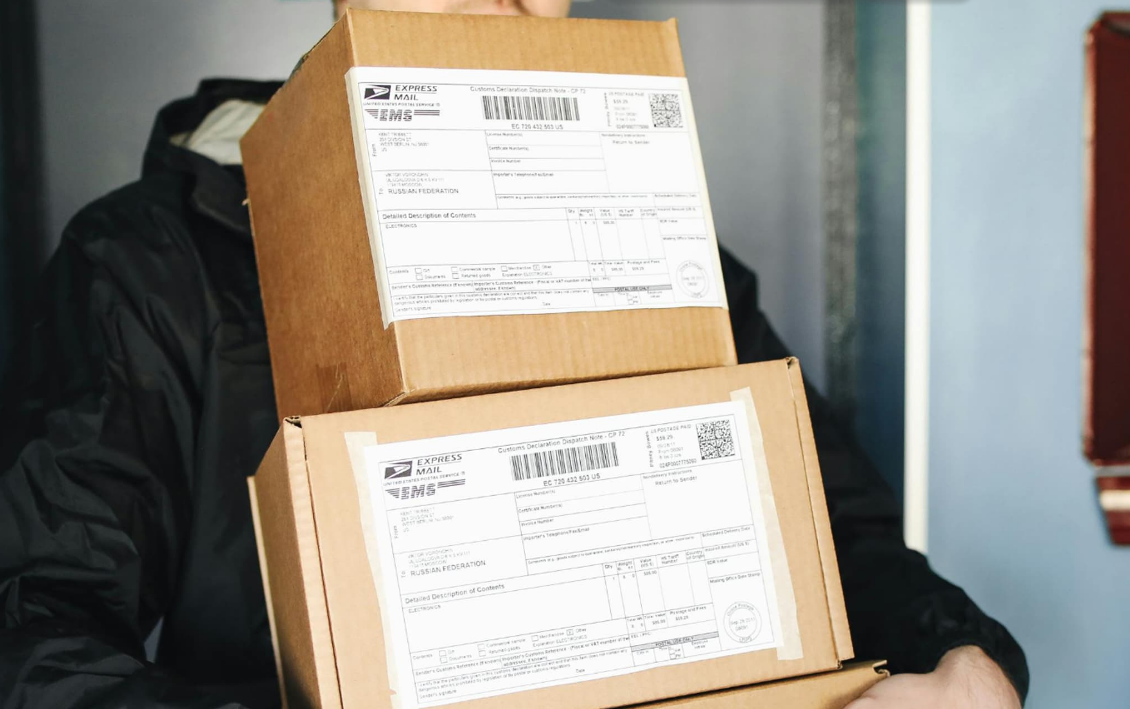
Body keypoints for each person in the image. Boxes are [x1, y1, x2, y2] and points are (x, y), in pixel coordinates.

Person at [0, 1, 1027, 707]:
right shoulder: (147, 264)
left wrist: (962, 656)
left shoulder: (678, 262)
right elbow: (36, 626)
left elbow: (839, 539)